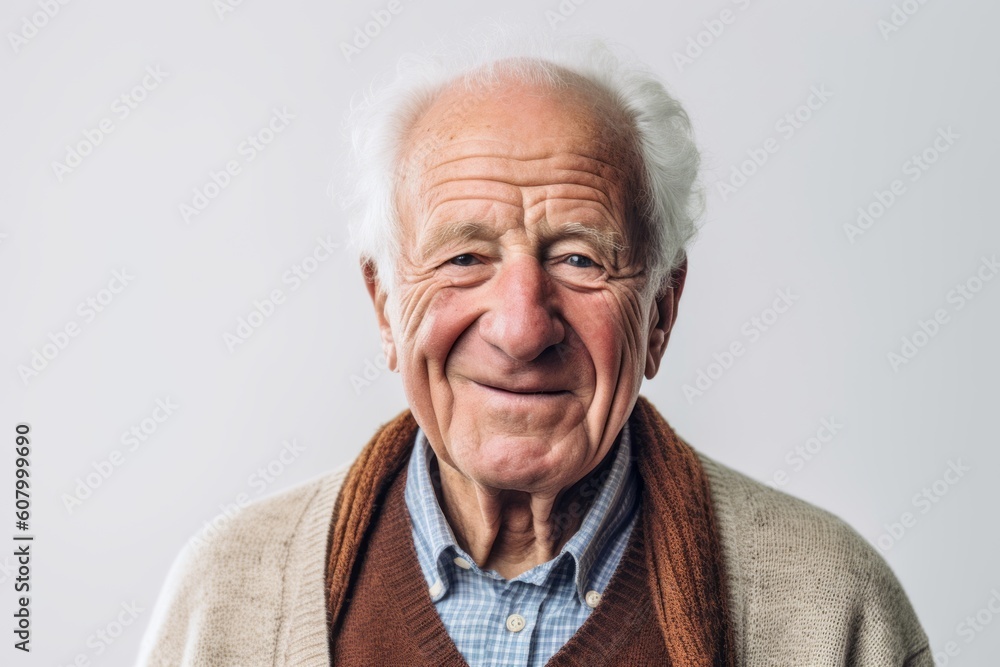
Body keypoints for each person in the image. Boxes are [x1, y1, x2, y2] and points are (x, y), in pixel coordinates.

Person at [137, 34, 932, 666]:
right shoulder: (227, 599)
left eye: (579, 258)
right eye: (463, 258)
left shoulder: (833, 613)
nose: (521, 328)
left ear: (660, 312)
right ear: (386, 306)